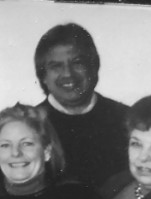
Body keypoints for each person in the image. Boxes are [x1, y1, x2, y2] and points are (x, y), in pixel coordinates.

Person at [34, 23, 129, 190]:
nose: (68, 74)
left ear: (93, 67)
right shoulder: (29, 124)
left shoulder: (126, 118)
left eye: (77, 63)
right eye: (56, 66)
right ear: (43, 76)